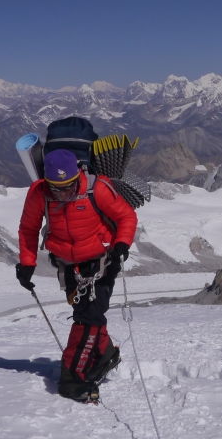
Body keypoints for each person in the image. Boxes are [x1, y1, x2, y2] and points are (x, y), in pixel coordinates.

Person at [15, 148, 137, 403]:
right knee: (88, 314)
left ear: (77, 176)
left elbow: (126, 216)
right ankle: (105, 355)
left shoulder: (97, 189)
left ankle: (72, 377)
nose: (62, 194)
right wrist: (27, 263)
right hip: (69, 266)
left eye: (68, 187)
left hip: (103, 260)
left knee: (88, 318)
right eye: (56, 189)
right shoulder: (40, 193)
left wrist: (122, 244)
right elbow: (28, 229)